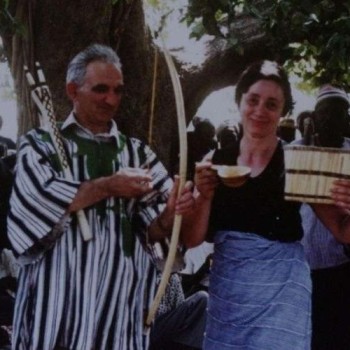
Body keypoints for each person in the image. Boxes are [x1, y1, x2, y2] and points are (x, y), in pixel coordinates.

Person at [7, 44, 194, 350]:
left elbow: (156, 236)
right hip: (55, 312)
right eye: (101, 89)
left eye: (118, 90)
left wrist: (170, 214)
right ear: (72, 90)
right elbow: (35, 205)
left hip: (118, 316)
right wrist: (108, 186)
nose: (111, 99)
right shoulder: (39, 147)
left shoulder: (137, 153)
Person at [181, 60, 350, 350]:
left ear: (283, 111)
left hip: (283, 296)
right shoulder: (215, 162)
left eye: (271, 104)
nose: (260, 111)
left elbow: (343, 231)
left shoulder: (298, 162)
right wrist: (202, 196)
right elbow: (192, 238)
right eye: (253, 100)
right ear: (239, 102)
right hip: (230, 298)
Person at [296, 85, 350, 350]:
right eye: (325, 113)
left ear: (347, 119)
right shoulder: (298, 151)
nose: (331, 119)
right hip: (302, 267)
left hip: (341, 265)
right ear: (314, 117)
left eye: (339, 113)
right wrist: (307, 144)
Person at [150, 273, 208, 350]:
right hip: (151, 325)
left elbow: (181, 306)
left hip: (168, 326)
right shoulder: (149, 271)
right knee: (202, 298)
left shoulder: (173, 277)